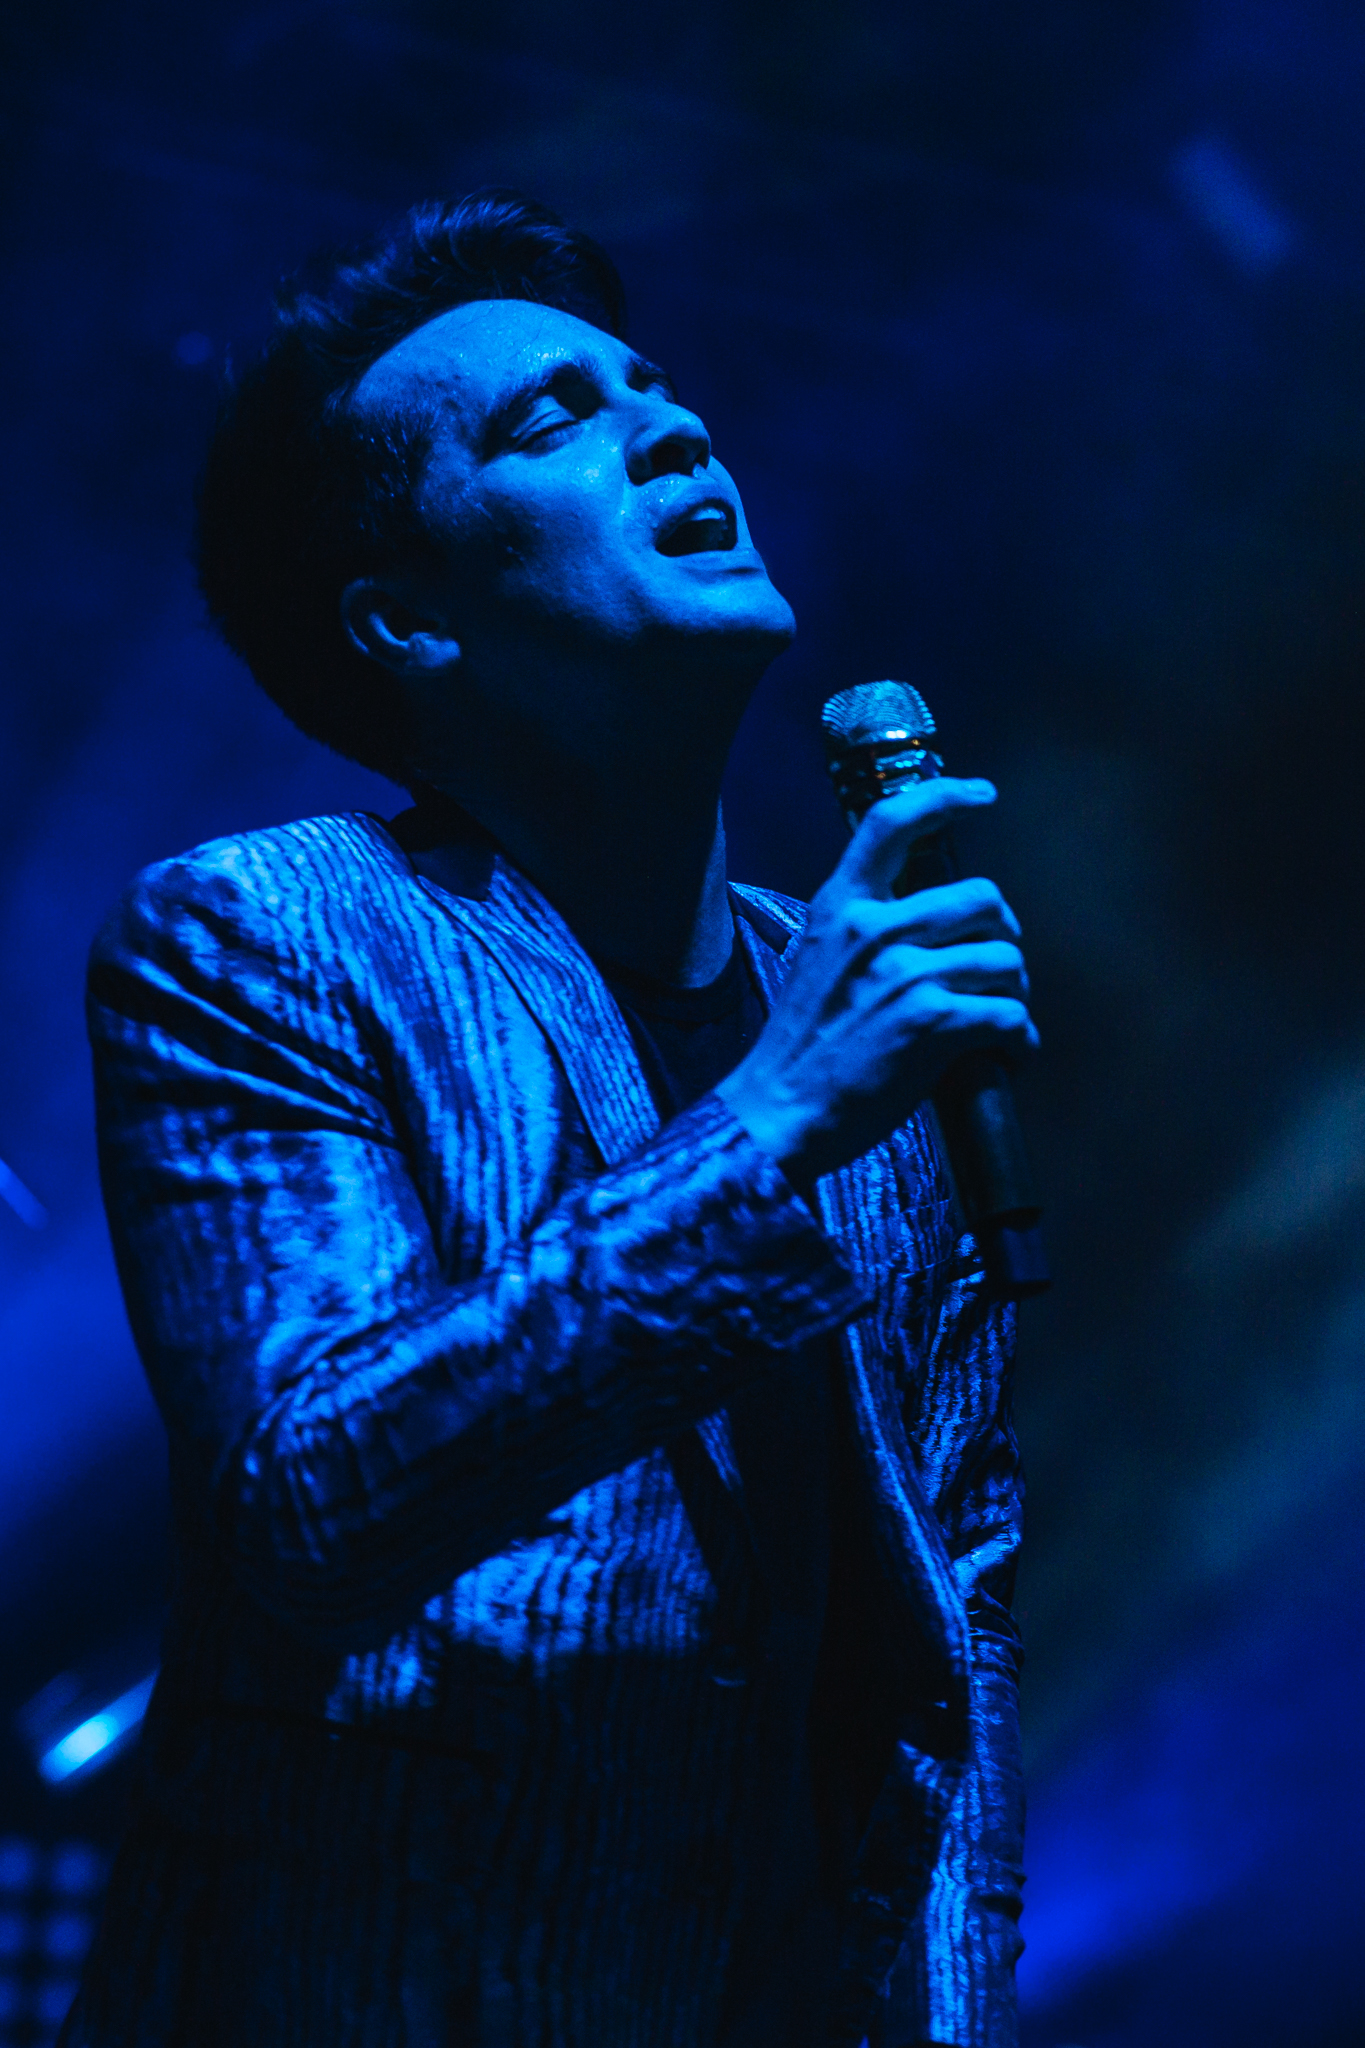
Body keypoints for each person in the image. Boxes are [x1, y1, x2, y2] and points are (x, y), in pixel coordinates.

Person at [63, 191, 1033, 2048]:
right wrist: (769, 1120)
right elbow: (312, 1502)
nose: (668, 428)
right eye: (551, 422)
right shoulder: (264, 934)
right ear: (405, 624)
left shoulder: (843, 994)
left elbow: (957, 1608)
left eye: (655, 387)